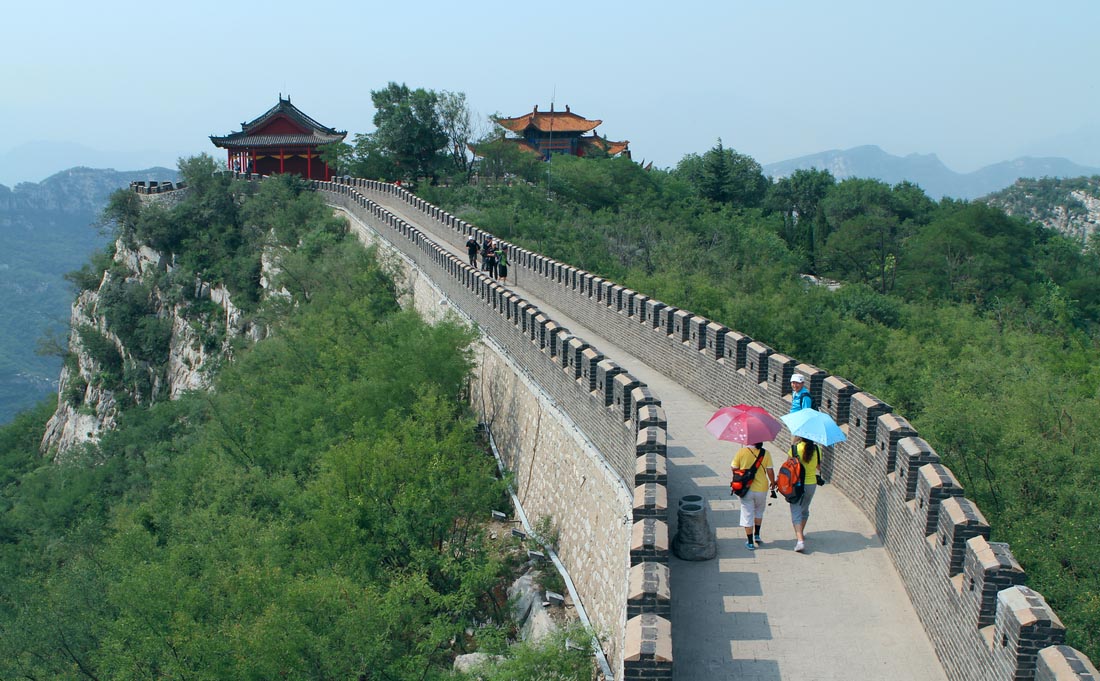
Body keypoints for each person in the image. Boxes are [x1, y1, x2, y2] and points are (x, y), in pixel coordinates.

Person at [731, 442, 776, 550]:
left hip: (746, 489)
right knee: (759, 511)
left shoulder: (741, 452)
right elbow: (770, 470)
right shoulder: (766, 453)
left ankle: (750, 542)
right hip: (762, 488)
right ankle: (757, 535)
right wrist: (773, 483)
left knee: (747, 513)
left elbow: (733, 467)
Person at [788, 436, 820, 552]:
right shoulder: (817, 449)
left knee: (796, 510)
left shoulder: (795, 449)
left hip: (797, 484)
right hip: (811, 484)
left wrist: (793, 444)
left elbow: (789, 465)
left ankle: (800, 540)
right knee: (805, 510)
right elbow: (818, 466)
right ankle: (800, 533)